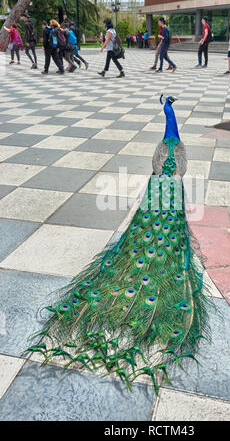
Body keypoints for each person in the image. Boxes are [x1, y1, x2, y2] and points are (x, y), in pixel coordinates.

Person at [25, 94, 213, 394]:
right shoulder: (179, 148)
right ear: (169, 108)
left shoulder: (161, 147)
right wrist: (173, 179)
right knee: (172, 235)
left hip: (157, 189)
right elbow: (179, 171)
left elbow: (156, 168)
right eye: (170, 105)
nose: (171, 112)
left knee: (145, 233)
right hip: (172, 188)